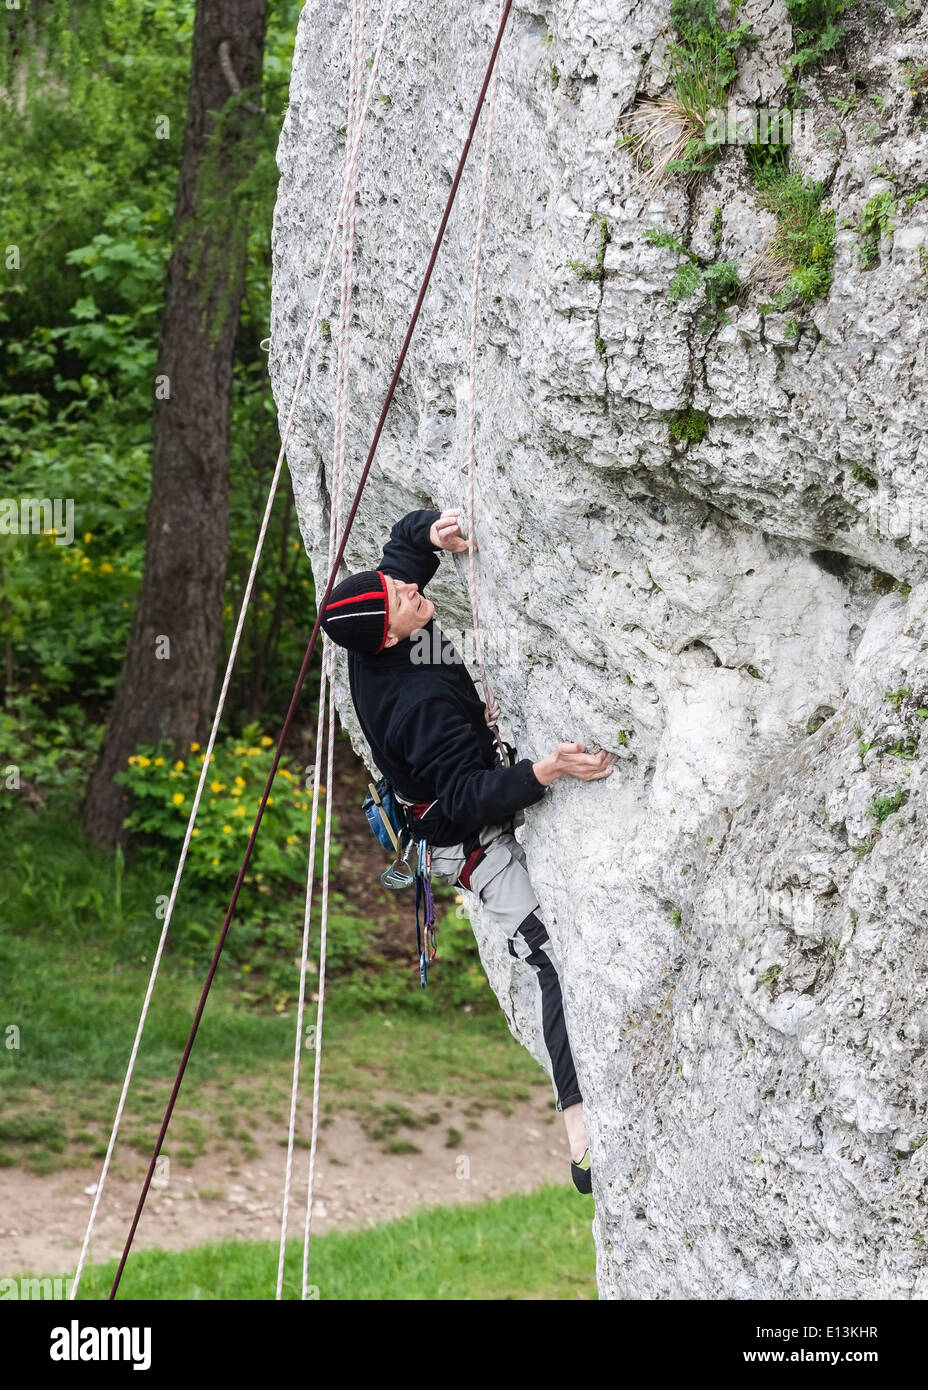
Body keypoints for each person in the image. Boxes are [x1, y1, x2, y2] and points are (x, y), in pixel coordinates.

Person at [319, 506, 616, 1194]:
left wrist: (430, 533)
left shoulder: (384, 620)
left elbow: (399, 554)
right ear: (387, 638)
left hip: (457, 791)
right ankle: (578, 1128)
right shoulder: (414, 702)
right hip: (463, 839)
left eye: (399, 587)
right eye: (401, 600)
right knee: (547, 952)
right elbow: (463, 800)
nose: (411, 592)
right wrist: (546, 771)